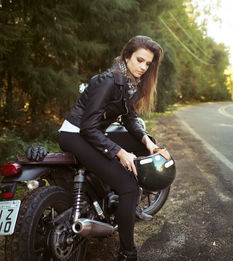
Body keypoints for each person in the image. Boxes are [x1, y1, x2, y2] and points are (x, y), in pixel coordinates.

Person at [58, 36, 163, 261]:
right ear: (127, 56)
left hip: (92, 134)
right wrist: (119, 152)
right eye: (140, 60)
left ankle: (118, 201)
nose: (143, 67)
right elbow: (87, 127)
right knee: (129, 188)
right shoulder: (109, 81)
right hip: (75, 135)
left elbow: (130, 118)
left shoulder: (128, 84)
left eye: (148, 64)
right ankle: (127, 252)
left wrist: (149, 143)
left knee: (143, 141)